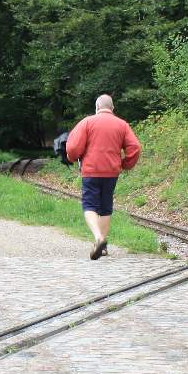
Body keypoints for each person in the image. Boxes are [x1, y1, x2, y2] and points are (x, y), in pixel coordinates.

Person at [64, 94, 141, 259]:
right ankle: (103, 246)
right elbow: (135, 147)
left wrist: (72, 157)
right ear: (112, 108)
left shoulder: (87, 122)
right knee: (105, 206)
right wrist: (126, 163)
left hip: (91, 171)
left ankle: (98, 238)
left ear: (97, 108)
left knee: (89, 205)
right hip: (111, 172)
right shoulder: (122, 125)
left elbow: (72, 147)